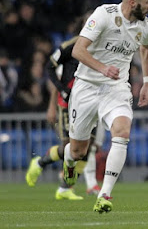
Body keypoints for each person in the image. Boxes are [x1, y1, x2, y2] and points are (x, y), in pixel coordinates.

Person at [63, 0, 148, 214]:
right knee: (78, 151)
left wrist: (146, 81)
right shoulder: (104, 14)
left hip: (116, 89)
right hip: (86, 86)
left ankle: (104, 194)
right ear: (132, 2)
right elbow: (78, 50)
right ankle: (69, 163)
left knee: (122, 132)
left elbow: (146, 46)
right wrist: (102, 67)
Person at [25, 29, 100, 200]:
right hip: (67, 103)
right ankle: (39, 162)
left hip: (90, 102)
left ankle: (65, 187)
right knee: (70, 145)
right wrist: (57, 98)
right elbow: (53, 70)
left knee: (88, 147)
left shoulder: (103, 46)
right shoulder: (71, 46)